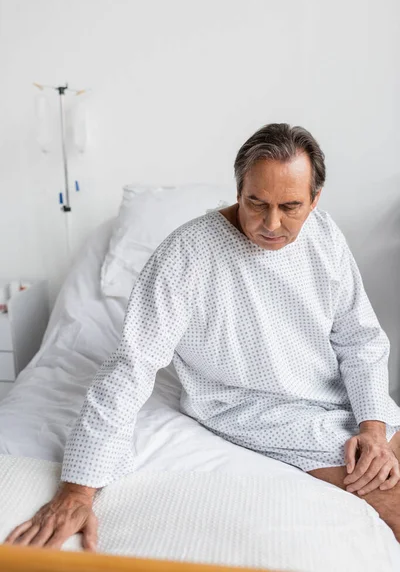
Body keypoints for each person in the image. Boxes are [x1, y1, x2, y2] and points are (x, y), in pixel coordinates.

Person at [6, 123, 400, 550]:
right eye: (256, 202)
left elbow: (360, 340)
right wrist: (78, 490)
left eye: (290, 206)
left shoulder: (325, 236)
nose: (271, 223)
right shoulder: (185, 256)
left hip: (340, 394)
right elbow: (130, 369)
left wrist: (373, 429)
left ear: (314, 199)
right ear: (238, 188)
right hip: (256, 407)